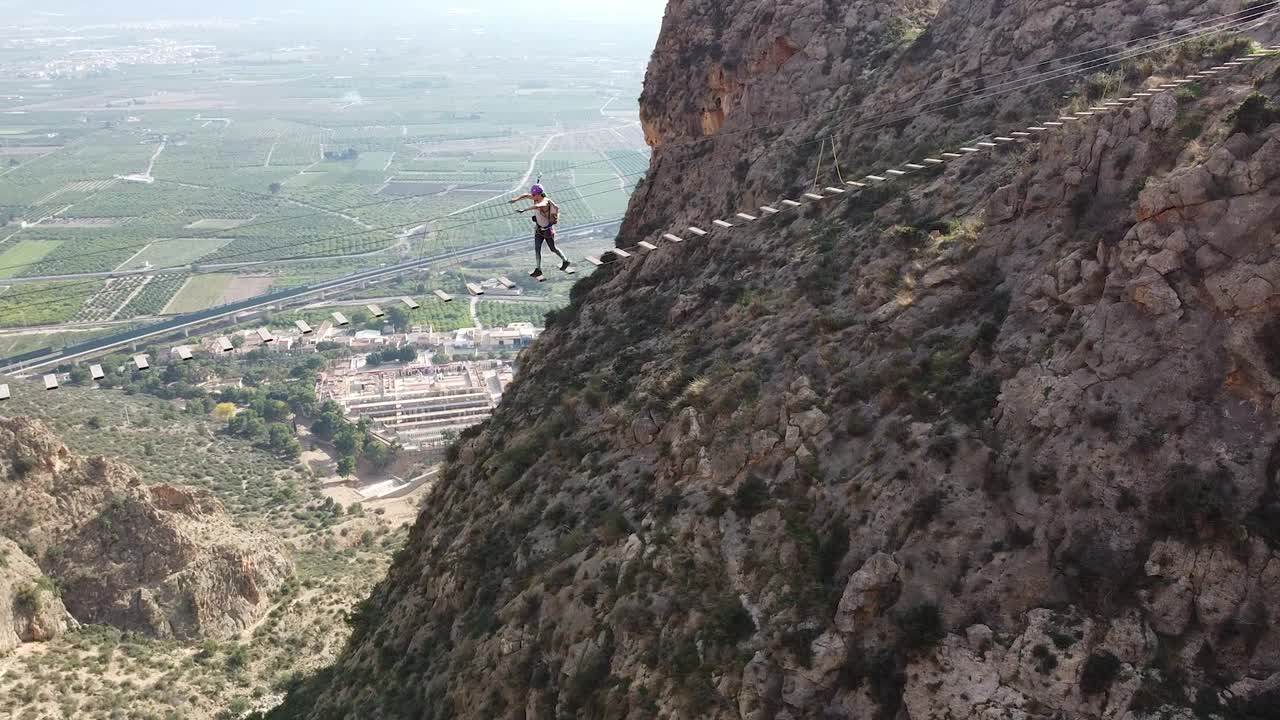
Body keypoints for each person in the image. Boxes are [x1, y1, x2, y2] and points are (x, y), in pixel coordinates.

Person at [509, 184, 570, 278]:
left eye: (534, 195)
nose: (532, 196)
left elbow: (538, 206)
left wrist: (524, 210)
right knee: (537, 249)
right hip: (538, 229)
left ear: (539, 194)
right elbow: (525, 195)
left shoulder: (545, 202)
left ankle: (565, 260)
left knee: (553, 248)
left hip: (547, 230)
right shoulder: (536, 197)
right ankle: (538, 269)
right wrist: (516, 199)